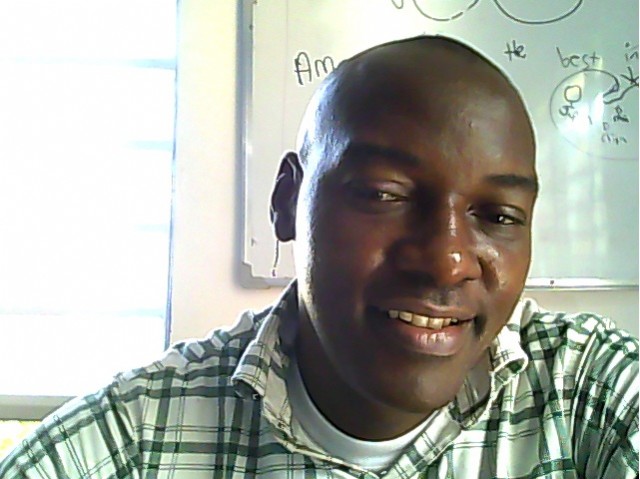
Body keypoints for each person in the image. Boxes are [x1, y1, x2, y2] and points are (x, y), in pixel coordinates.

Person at [1, 35, 637, 479]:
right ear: (287, 201)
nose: (447, 262)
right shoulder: (133, 444)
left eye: (497, 216)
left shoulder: (591, 397)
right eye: (385, 194)